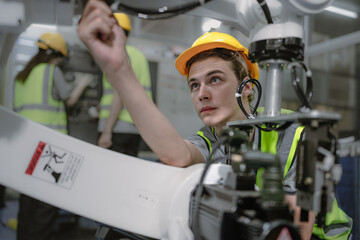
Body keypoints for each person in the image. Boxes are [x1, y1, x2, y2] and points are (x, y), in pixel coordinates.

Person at [77, 1, 352, 239]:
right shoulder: (214, 137)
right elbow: (178, 155)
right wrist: (118, 70)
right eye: (194, 85)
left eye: (215, 80)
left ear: (247, 87)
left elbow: (295, 230)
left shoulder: (293, 132)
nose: (202, 94)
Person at [13, 32, 91, 240]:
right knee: (47, 203)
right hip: (49, 146)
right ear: (59, 55)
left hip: (25, 145)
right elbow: (69, 100)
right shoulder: (51, 71)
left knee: (28, 199)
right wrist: (84, 83)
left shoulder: (21, 75)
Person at [97, 12, 152, 157]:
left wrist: (107, 130)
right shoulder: (139, 55)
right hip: (135, 128)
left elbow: (119, 94)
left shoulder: (118, 55)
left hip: (116, 128)